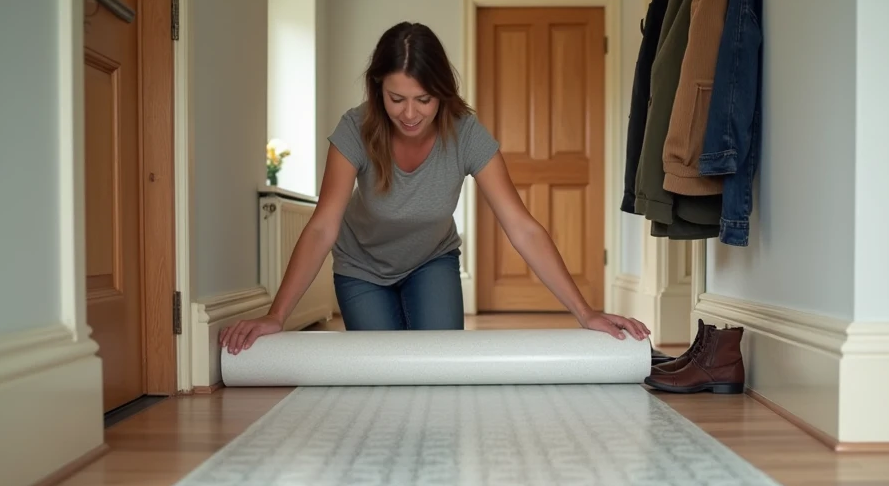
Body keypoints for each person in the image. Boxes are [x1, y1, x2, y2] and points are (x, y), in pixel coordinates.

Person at [220, 22, 650, 355]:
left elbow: (521, 227)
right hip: (362, 268)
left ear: (443, 94)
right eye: (396, 98)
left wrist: (585, 311)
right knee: (384, 374)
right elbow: (322, 227)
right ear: (378, 90)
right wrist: (278, 315)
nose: (409, 114)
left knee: (439, 362)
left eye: (423, 99)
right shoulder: (356, 127)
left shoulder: (465, 133)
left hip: (431, 261)